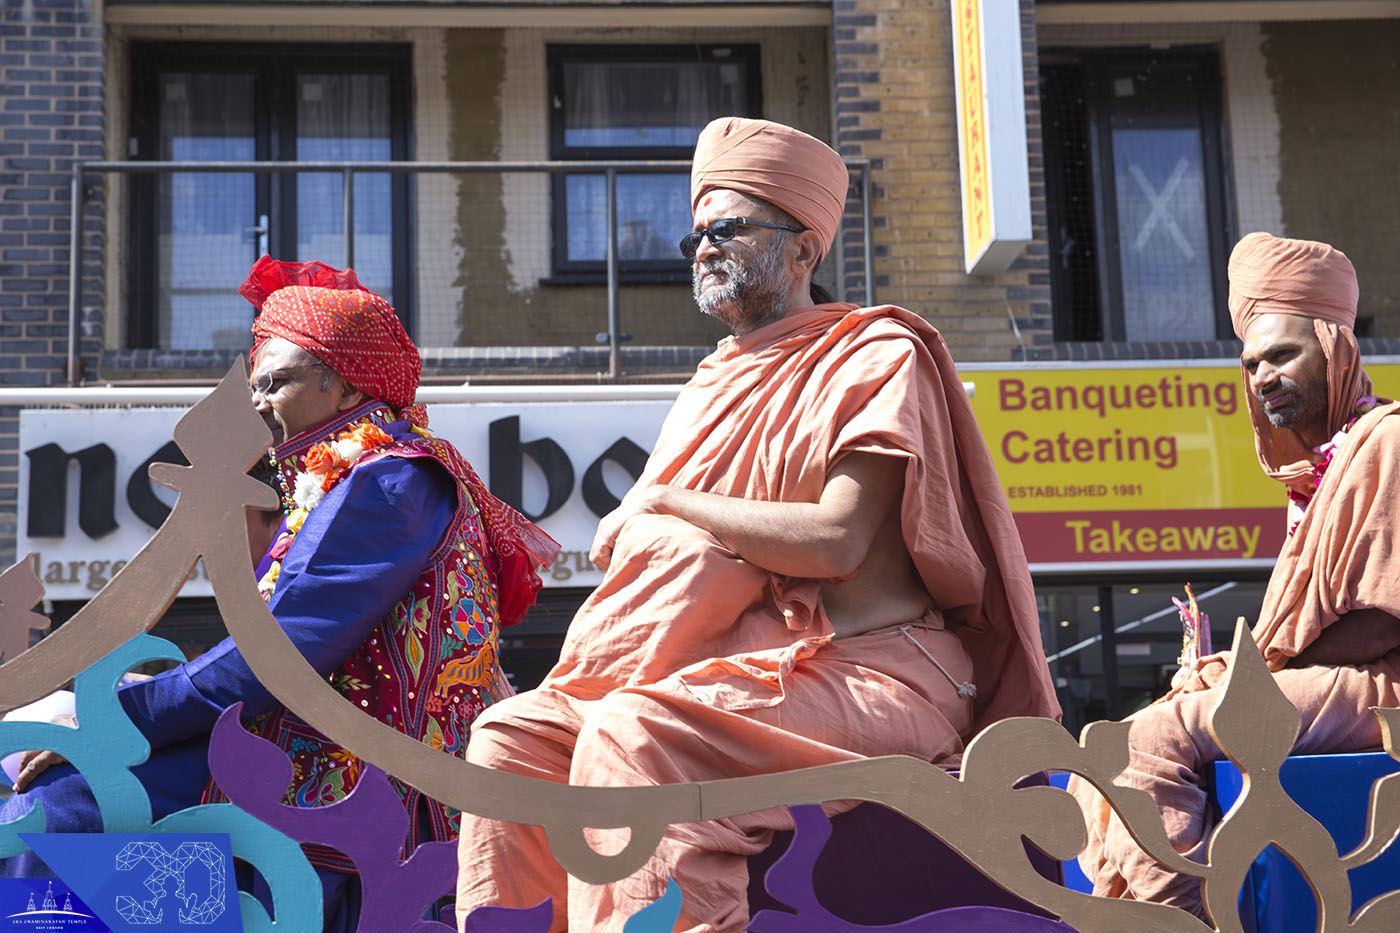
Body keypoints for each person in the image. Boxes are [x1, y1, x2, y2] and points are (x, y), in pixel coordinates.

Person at [455, 117, 1060, 933]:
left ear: (804, 249)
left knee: (636, 736)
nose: (704, 246)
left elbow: (837, 539)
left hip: (877, 677)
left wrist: (666, 502)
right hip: (740, 675)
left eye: (728, 228)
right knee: (508, 739)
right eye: (696, 233)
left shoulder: (876, 353)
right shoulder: (709, 382)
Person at [2, 258, 559, 930]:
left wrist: (109, 717)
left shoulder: (388, 483)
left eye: (274, 382)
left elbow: (274, 656)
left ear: (344, 383)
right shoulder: (359, 477)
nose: (257, 403)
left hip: (354, 787)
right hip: (302, 756)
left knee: (53, 807)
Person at [1068, 233, 1400, 914]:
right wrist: (1234, 670)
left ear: (1336, 349)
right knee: (1101, 749)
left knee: (1151, 740)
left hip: (1385, 686)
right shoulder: (1319, 472)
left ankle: (1186, 921)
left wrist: (1249, 671)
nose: (1262, 377)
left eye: (1281, 355)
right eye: (1251, 364)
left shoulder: (1386, 439)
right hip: (1341, 683)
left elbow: (1375, 623)